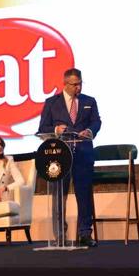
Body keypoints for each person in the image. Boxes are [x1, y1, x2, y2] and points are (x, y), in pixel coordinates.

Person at [37, 68, 102, 247]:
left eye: (80, 84)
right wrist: (55, 130)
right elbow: (42, 128)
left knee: (84, 195)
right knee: (59, 196)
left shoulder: (89, 101)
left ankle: (85, 233)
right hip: (60, 157)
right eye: (75, 85)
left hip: (83, 154)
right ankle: (60, 235)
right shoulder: (52, 103)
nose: (78, 88)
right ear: (65, 84)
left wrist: (89, 131)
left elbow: (96, 122)